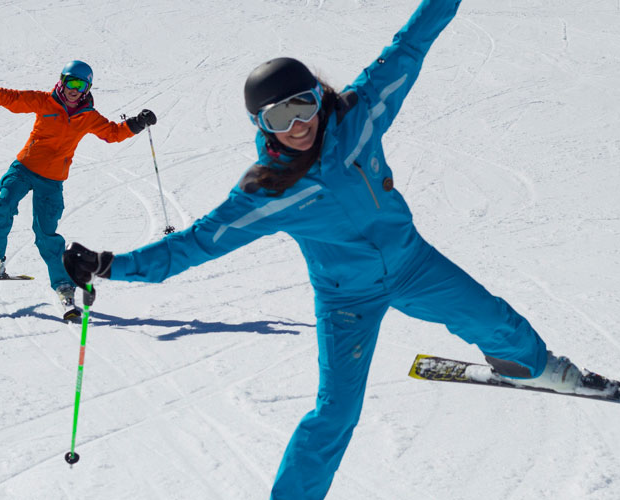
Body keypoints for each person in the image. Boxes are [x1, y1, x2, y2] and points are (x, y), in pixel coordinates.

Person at [64, 0, 583, 497]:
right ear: (260, 126)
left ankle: (531, 366)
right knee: (334, 414)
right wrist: (112, 266)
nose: (297, 126)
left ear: (318, 96)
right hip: (346, 301)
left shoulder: (359, 117)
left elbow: (410, 47)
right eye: (278, 118)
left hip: (412, 264)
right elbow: (198, 244)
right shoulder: (268, 189)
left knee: (496, 322)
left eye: (303, 106)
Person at [0, 60, 156, 308]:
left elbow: (113, 133)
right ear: (61, 82)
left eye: (80, 84)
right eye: (69, 82)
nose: (73, 89)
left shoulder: (88, 117)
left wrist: (137, 123)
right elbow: (15, 99)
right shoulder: (45, 101)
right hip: (24, 168)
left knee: (46, 235)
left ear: (87, 88)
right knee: (3, 205)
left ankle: (63, 285)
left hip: (52, 181)